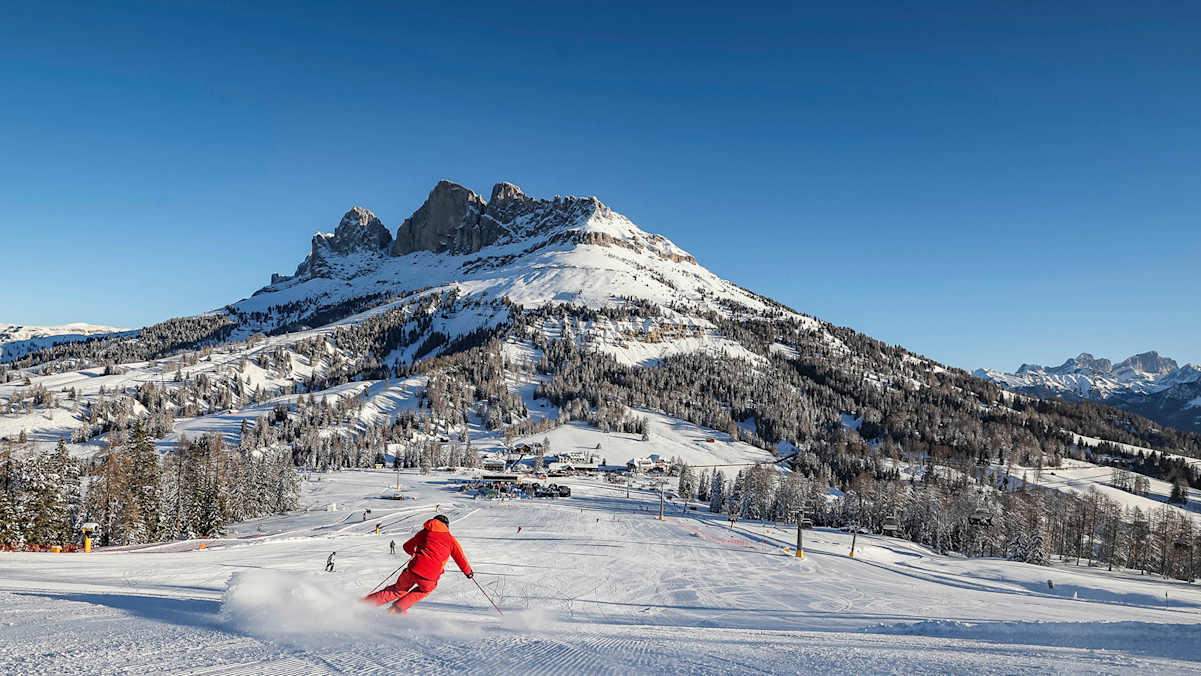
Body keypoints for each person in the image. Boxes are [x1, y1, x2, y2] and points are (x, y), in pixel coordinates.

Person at [363, 515, 473, 615]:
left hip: (413, 569)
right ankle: (397, 609)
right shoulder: (450, 539)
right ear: (447, 526)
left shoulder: (424, 533)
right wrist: (468, 573)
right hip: (430, 576)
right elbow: (460, 558)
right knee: (424, 590)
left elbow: (407, 546)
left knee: (398, 590)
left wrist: (417, 553)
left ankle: (364, 605)